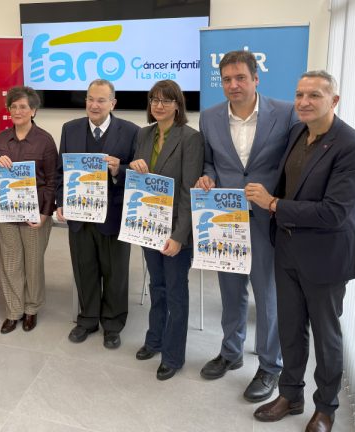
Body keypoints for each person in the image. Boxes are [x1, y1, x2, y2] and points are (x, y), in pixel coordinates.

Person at [246, 71, 355, 432]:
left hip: (326, 256)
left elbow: (334, 211)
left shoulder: (352, 145)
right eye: (299, 94)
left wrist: (273, 205)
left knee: (326, 335)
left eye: (314, 95)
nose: (303, 101)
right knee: (290, 328)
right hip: (286, 249)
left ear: (334, 101)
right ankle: (290, 395)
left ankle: (326, 409)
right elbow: (288, 184)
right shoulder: (296, 134)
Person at [196, 50, 297, 402]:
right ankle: (231, 352)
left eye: (240, 77)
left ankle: (270, 365)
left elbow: (294, 165)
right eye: (227, 79)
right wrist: (207, 177)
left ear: (256, 79)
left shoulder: (285, 114)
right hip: (226, 220)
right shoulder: (208, 118)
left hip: (267, 220)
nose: (233, 85)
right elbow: (210, 161)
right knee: (230, 291)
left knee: (267, 295)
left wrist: (275, 199)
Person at [55, 79, 139, 349]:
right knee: (85, 269)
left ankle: (113, 324)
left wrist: (118, 170)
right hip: (79, 216)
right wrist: (60, 202)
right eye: (90, 98)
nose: (94, 104)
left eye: (101, 100)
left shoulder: (131, 131)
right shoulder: (70, 129)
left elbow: (137, 174)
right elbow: (61, 172)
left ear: (113, 103)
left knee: (115, 274)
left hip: (113, 218)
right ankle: (87, 319)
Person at [129, 80, 203, 380]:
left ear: (177, 104)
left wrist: (178, 236)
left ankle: (173, 355)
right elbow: (139, 179)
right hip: (149, 226)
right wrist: (133, 168)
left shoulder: (190, 138)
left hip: (175, 231)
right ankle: (154, 338)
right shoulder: (144, 134)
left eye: (166, 100)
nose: (159, 105)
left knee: (175, 292)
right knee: (156, 287)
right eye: (154, 100)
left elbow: (188, 192)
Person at [0, 86, 58, 334]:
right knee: (10, 263)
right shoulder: (1, 139)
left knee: (32, 264)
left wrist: (45, 214)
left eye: (23, 106)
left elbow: (52, 180)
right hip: (7, 212)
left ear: (33, 110)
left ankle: (31, 309)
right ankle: (13, 311)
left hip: (35, 214)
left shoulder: (45, 140)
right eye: (13, 106)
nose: (18, 111)